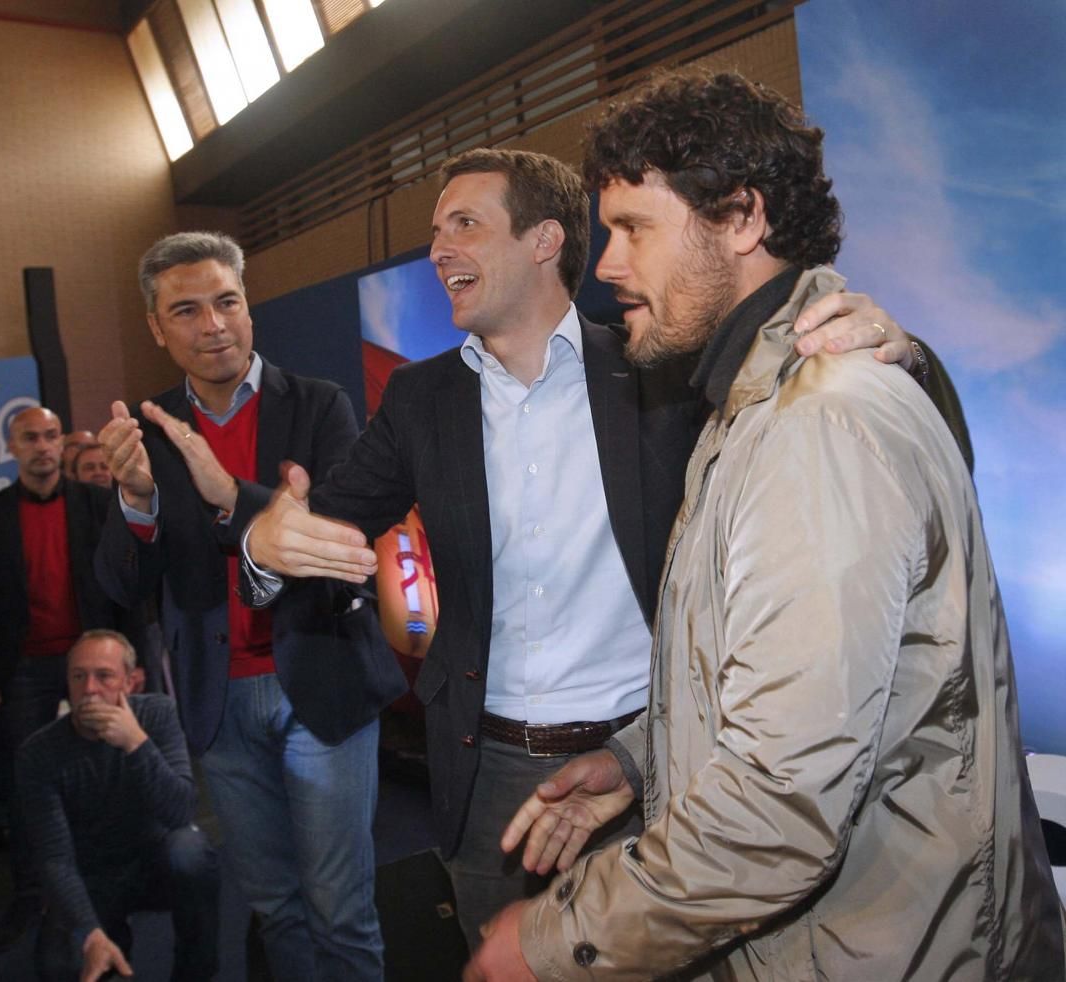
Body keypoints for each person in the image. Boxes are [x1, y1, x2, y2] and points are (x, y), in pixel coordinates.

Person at [242, 147, 933, 946]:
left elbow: (814, 398)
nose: (437, 250)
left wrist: (897, 349)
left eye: (464, 223)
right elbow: (314, 530)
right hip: (486, 772)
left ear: (543, 241)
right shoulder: (419, 399)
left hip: (652, 759)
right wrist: (264, 542)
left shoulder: (657, 366)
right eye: (435, 231)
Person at [466, 69, 1064, 981]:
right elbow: (785, 680)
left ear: (742, 219)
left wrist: (550, 942)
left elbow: (779, 812)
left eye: (633, 229)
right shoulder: (757, 399)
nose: (608, 266)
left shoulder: (813, 422)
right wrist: (639, 759)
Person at [96, 231, 405, 981]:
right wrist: (136, 501)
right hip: (219, 700)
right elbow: (117, 584)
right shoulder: (147, 433)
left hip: (321, 678)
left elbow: (339, 539)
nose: (214, 325)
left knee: (341, 906)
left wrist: (235, 500)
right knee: (276, 907)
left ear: (249, 307)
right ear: (157, 328)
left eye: (227, 301)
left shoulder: (320, 405)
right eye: (188, 310)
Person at [0, 406, 141, 954]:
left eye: (51, 436)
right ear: (11, 447)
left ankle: (116, 882)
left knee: (111, 768)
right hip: (22, 667)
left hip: (92, 657)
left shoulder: (95, 504)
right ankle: (31, 891)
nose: (42, 446)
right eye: (30, 437)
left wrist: (131, 661)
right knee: (25, 782)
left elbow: (125, 578)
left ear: (62, 443)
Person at [18, 630, 219, 982]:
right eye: (78, 676)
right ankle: (110, 939)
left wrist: (135, 743)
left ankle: (195, 972)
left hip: (154, 864)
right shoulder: (39, 753)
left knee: (192, 851)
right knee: (59, 967)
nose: (90, 689)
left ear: (130, 682)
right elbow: (54, 857)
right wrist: (91, 934)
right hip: (92, 876)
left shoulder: (156, 715)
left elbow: (181, 812)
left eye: (104, 676)